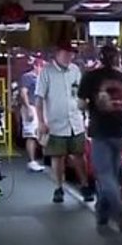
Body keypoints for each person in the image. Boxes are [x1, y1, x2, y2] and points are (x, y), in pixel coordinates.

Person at [78, 44, 122, 233]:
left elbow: (80, 104)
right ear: (117, 58)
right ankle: (102, 215)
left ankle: (120, 208)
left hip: (100, 132)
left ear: (100, 58)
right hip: (120, 132)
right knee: (112, 176)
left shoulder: (90, 77)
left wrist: (93, 105)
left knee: (104, 176)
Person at [36, 40, 92, 204]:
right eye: (67, 53)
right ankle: (59, 187)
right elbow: (39, 99)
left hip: (75, 121)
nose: (70, 57)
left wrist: (86, 115)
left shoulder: (75, 71)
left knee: (79, 155)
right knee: (58, 157)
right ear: (57, 53)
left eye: (72, 54)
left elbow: (80, 95)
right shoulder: (46, 72)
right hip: (55, 124)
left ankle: (84, 185)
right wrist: (41, 122)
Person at [17, 60, 44, 172]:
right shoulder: (28, 77)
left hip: (39, 107)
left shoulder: (41, 78)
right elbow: (23, 93)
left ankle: (37, 159)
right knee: (31, 134)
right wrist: (28, 108)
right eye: (42, 67)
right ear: (36, 66)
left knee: (39, 134)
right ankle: (32, 161)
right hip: (31, 107)